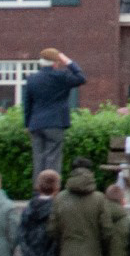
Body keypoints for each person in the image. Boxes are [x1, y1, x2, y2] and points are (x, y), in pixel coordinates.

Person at [22, 48, 86, 180]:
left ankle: (38, 193)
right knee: (53, 159)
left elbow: (27, 104)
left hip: (36, 124)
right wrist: (68, 61)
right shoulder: (61, 77)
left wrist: (27, 124)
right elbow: (81, 78)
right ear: (55, 63)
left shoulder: (32, 79)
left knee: (38, 159)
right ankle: (50, 192)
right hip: (55, 123)